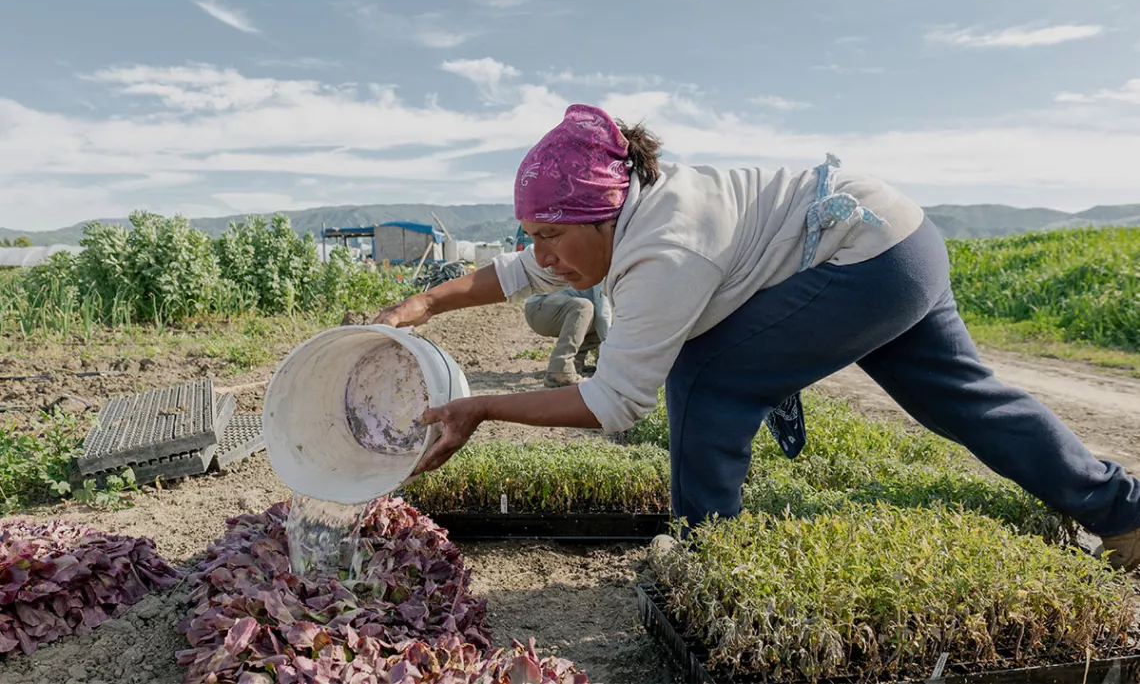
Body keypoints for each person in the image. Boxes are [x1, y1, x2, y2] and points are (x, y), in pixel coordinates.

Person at [372, 103, 1140, 571]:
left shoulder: (662, 248)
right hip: (898, 240)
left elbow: (617, 402)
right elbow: (519, 273)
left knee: (708, 380)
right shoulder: (618, 215)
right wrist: (426, 304)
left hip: (867, 258)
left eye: (549, 235)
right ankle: (1124, 512)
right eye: (530, 235)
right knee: (968, 400)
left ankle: (708, 556)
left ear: (599, 215)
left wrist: (483, 408)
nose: (540, 255)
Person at [523, 283, 611, 388]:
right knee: (583, 307)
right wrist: (612, 352)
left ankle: (574, 364)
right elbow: (603, 314)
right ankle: (560, 369)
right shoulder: (608, 273)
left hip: (554, 307)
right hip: (540, 306)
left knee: (608, 320)